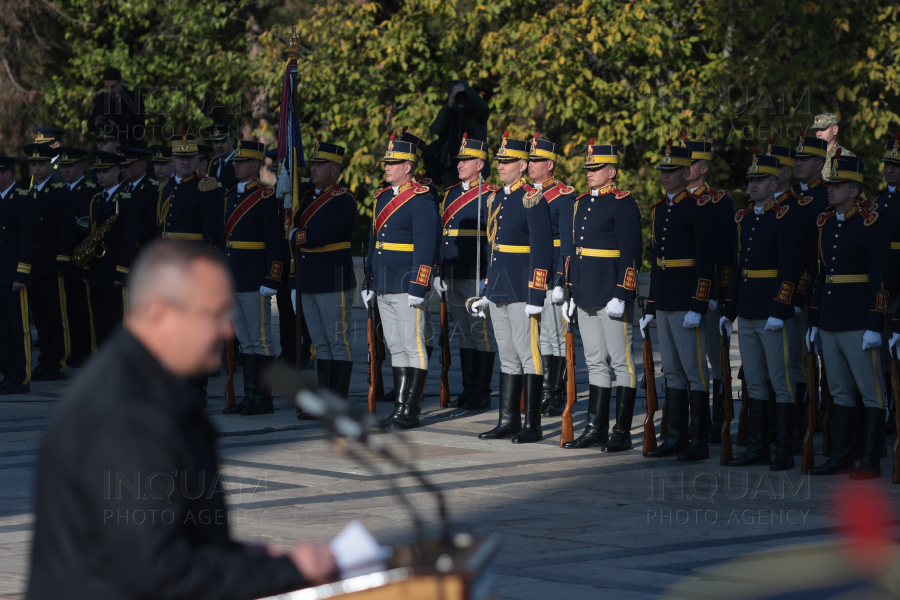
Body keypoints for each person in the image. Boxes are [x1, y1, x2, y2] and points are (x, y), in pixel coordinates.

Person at [26, 242, 335, 600]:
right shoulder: (126, 414)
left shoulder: (139, 383)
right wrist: (289, 571)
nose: (228, 331)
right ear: (160, 314)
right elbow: (160, 572)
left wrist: (239, 556)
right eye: (215, 314)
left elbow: (169, 538)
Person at [719, 149, 802, 470]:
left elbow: (789, 270)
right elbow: (741, 269)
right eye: (750, 180)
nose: (753, 185)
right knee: (753, 381)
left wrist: (779, 309)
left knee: (780, 380)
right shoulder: (745, 219)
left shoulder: (783, 217)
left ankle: (783, 448)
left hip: (771, 312)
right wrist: (729, 310)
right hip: (749, 311)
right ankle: (758, 445)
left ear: (773, 182)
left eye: (760, 180)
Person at [808, 152, 887, 479]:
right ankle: (841, 454)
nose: (831, 189)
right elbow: (821, 274)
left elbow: (880, 278)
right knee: (838, 390)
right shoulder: (826, 222)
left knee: (871, 391)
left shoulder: (871, 221)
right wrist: (815, 320)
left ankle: (870, 457)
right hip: (831, 319)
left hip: (858, 321)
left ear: (854, 189)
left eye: (838, 185)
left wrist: (874, 322)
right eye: (830, 184)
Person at [559, 141, 642, 451]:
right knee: (594, 362)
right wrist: (570, 291)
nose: (590, 173)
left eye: (595, 169)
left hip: (610, 293)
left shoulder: (623, 203)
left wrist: (623, 292)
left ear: (612, 172)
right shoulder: (582, 202)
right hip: (584, 293)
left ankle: (622, 431)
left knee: (621, 363)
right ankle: (596, 428)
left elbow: (632, 253)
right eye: (588, 168)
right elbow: (575, 252)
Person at [471, 130, 553, 443]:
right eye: (499, 160)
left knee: (528, 355)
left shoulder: (532, 198)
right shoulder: (495, 198)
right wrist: (488, 290)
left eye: (508, 161)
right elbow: (495, 250)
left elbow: (542, 250)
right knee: (507, 356)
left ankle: (532, 424)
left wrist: (537, 293)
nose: (501, 165)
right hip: (500, 288)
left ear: (523, 165)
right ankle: (508, 420)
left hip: (522, 288)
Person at [640, 139, 715, 461]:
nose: (666, 176)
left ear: (687, 173)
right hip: (668, 297)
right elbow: (658, 262)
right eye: (663, 170)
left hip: (686, 300)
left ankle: (698, 439)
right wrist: (651, 304)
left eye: (672, 171)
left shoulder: (697, 208)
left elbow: (705, 261)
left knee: (695, 371)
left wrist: (698, 305)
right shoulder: (660, 210)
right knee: (671, 370)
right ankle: (674, 436)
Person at [363, 130, 440, 430]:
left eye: (393, 163)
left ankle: (411, 409)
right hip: (383, 283)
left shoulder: (420, 199)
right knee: (395, 346)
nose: (387, 166)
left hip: (407, 284)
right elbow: (373, 242)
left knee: (414, 345)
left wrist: (419, 285)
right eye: (387, 161)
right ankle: (398, 408)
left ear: (408, 167)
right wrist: (369, 281)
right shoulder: (381, 197)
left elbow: (425, 246)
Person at [212, 137, 288, 416]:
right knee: (244, 342)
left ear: (255, 165)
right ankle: (249, 396)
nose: (236, 165)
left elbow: (276, 243)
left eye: (242, 161)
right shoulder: (230, 195)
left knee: (260, 340)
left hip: (256, 279)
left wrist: (272, 278)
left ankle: (263, 398)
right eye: (235, 161)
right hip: (234, 278)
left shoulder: (266, 198)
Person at [289, 135, 357, 404]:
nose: (313, 168)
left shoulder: (343, 200)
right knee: (320, 342)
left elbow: (318, 235)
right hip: (310, 277)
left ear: (335, 170)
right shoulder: (305, 197)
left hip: (333, 278)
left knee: (337, 341)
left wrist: (295, 235)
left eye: (320, 163)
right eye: (313, 163)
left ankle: (338, 400)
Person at [434, 133, 498, 410]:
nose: (459, 164)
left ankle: (481, 389)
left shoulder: (490, 194)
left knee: (479, 331)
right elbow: (443, 235)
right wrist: (439, 269)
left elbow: (492, 240)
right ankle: (469, 387)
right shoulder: (450, 194)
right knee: (463, 332)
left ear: (480, 164)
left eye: (466, 160)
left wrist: (487, 278)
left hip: (475, 274)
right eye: (459, 160)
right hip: (452, 271)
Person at [157, 130, 222, 403]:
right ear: (172, 160)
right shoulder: (165, 187)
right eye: (180, 157)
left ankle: (196, 390)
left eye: (190, 157)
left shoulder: (207, 187)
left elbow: (214, 234)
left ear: (198, 160)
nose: (185, 162)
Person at [681, 136, 736, 445]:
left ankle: (720, 419)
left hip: (710, 294)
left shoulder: (717, 200)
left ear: (702, 168)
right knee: (688, 361)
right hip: (682, 293)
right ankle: (693, 420)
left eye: (688, 164)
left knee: (716, 359)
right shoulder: (676, 200)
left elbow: (725, 251)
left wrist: (719, 292)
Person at [528, 133, 576, 417]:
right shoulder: (524, 193)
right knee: (538, 338)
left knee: (555, 336)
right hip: (529, 272)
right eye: (530, 160)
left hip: (552, 273)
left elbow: (568, 243)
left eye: (537, 160)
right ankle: (543, 390)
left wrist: (562, 279)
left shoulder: (562, 196)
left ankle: (556, 392)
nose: (531, 164)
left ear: (550, 164)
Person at [24, 143, 73, 382]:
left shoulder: (59, 191)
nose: (37, 168)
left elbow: (65, 227)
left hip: (53, 264)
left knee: (57, 316)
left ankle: (58, 362)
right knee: (41, 317)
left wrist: (62, 259)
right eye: (33, 164)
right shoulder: (30, 193)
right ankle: (45, 360)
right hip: (35, 265)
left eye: (41, 164)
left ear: (48, 165)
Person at [82, 151, 140, 345]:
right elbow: (91, 237)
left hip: (115, 272)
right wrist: (87, 267)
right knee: (100, 324)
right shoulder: (96, 200)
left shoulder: (126, 200)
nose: (100, 175)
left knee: (119, 323)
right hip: (98, 272)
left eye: (105, 171)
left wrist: (121, 271)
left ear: (117, 172)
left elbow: (128, 239)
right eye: (98, 171)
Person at [56, 147, 97, 366]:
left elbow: (83, 225)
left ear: (81, 167)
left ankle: (87, 352)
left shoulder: (88, 190)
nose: (66, 171)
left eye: (70, 166)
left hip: (81, 258)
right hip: (65, 258)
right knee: (69, 309)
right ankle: (75, 351)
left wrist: (61, 228)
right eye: (63, 166)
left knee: (84, 309)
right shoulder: (60, 190)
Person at [0, 155, 37, 395]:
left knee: (19, 329)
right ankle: (9, 373)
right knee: (3, 330)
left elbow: (28, 240)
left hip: (14, 278)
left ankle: (22, 377)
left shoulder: (22, 199)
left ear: (7, 174)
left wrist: (21, 275)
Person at [427, 79, 490, 188]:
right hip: (450, 166)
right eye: (455, 93)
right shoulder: (449, 110)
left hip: (474, 165)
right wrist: (449, 103)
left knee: (474, 199)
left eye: (462, 92)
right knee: (452, 201)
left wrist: (468, 91)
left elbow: (484, 110)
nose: (460, 96)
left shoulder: (475, 111)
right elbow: (436, 129)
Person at [89, 67, 145, 143]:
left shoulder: (134, 98)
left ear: (121, 82)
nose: (110, 91)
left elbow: (139, 127)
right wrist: (97, 124)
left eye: (113, 87)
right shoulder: (101, 98)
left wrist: (117, 127)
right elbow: (90, 124)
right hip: (104, 146)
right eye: (107, 87)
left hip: (125, 146)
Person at [117, 146, 158, 248]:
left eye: (126, 167)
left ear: (140, 166)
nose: (121, 170)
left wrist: (129, 244)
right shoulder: (122, 186)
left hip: (138, 248)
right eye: (121, 166)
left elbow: (149, 225)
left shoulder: (152, 189)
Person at [811, 113, 855, 180]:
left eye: (823, 129)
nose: (818, 134)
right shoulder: (811, 157)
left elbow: (851, 187)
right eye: (817, 130)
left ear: (835, 130)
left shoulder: (847, 157)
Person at [205, 124, 238, 191]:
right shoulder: (213, 163)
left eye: (223, 141)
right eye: (215, 142)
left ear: (232, 141)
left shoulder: (240, 161)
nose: (219, 145)